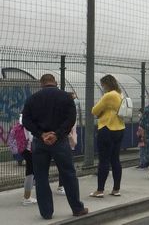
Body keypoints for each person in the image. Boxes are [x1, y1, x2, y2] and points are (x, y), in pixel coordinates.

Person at [21, 74, 87, 219]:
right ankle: (77, 208)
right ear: (55, 82)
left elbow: (25, 120)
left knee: (41, 176)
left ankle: (46, 213)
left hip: (40, 142)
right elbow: (71, 119)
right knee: (68, 174)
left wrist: (41, 134)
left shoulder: (32, 99)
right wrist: (56, 134)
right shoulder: (66, 97)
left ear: (41, 84)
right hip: (60, 141)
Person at [90, 75, 125, 198]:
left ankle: (100, 190)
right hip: (119, 128)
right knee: (115, 159)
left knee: (104, 160)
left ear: (106, 84)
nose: (102, 87)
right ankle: (116, 189)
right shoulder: (120, 94)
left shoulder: (108, 95)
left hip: (107, 129)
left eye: (103, 85)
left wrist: (101, 112)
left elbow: (94, 110)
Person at [18, 114, 37, 206]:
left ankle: (27, 196)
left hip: (24, 148)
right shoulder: (30, 119)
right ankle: (27, 197)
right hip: (29, 149)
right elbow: (31, 136)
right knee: (30, 172)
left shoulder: (23, 117)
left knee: (30, 171)